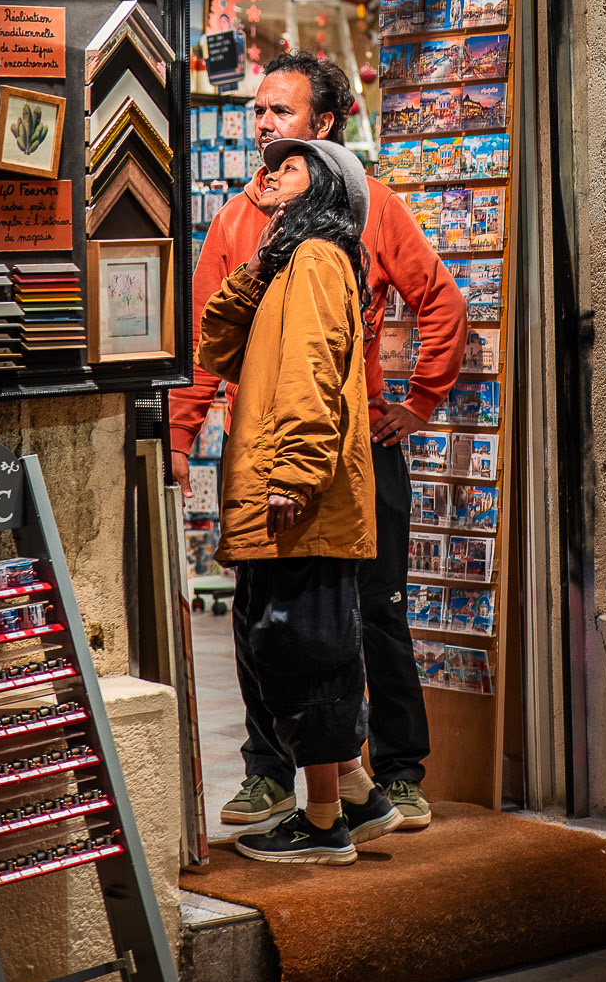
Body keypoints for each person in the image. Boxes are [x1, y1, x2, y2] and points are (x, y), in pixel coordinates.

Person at [171, 51, 468, 833]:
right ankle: (273, 774)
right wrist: (179, 436)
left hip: (351, 449)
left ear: (324, 126)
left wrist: (419, 401)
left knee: (374, 612)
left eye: (282, 112)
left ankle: (394, 775)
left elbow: (440, 301)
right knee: (267, 623)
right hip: (264, 454)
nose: (264, 125)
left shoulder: (366, 208)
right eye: (258, 110)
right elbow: (205, 340)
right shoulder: (237, 219)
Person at [198, 137, 390, 864]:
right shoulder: (289, 262)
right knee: (285, 648)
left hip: (298, 496)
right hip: (280, 489)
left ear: (327, 189)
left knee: (301, 652)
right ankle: (360, 799)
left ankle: (322, 822)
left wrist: (296, 474)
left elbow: (312, 368)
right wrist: (256, 265)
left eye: (292, 164)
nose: (272, 171)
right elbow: (218, 347)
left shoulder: (316, 259)